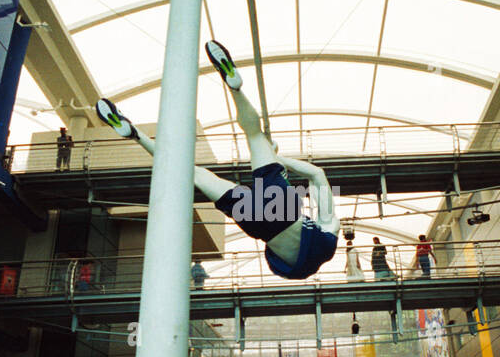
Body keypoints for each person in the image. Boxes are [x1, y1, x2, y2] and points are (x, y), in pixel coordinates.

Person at [95, 40, 337, 280]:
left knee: (254, 135)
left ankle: (235, 88)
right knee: (195, 173)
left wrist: (275, 156)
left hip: (285, 208)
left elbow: (317, 174)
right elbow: (285, 263)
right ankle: (136, 136)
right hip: (260, 226)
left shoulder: (330, 233)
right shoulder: (308, 259)